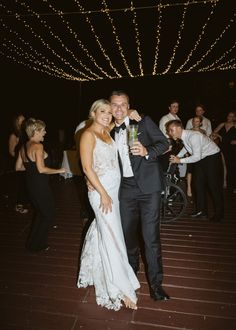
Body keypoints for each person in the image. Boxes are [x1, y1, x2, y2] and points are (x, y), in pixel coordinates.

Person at [77, 99, 140, 311]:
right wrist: (103, 193)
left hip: (114, 190)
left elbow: (123, 117)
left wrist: (130, 111)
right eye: (101, 111)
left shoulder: (106, 130)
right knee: (113, 236)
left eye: (108, 112)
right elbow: (87, 168)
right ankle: (120, 288)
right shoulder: (88, 135)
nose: (107, 115)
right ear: (93, 113)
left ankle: (95, 269)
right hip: (101, 193)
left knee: (106, 231)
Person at [109, 90, 170, 301]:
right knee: (127, 236)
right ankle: (131, 276)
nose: (118, 109)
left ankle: (156, 285)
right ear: (110, 107)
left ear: (128, 106)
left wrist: (147, 151)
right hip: (125, 189)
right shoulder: (107, 131)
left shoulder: (143, 122)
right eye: (114, 105)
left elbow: (164, 143)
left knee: (150, 237)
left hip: (149, 188)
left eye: (122, 105)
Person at [15, 118, 66, 252]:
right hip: (40, 186)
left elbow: (18, 167)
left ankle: (33, 244)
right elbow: (42, 169)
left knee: (42, 213)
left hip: (31, 185)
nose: (45, 132)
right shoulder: (38, 146)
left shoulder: (23, 147)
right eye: (43, 130)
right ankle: (37, 245)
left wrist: (32, 169)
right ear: (36, 131)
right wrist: (60, 170)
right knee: (48, 214)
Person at [167, 119, 224, 222]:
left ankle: (220, 214)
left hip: (212, 157)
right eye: (169, 131)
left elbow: (196, 157)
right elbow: (186, 148)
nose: (169, 133)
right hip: (202, 157)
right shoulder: (184, 136)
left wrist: (179, 160)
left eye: (171, 130)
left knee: (213, 185)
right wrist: (177, 157)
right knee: (198, 183)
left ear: (179, 128)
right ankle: (202, 212)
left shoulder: (193, 136)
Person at [8, 113, 28, 213]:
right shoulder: (14, 135)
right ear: (17, 122)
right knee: (19, 184)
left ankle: (23, 202)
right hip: (17, 164)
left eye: (25, 120)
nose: (24, 122)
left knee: (25, 184)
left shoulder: (25, 134)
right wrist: (19, 160)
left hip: (24, 163)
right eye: (22, 120)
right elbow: (11, 151)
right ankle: (18, 205)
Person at [211, 111, 236, 192]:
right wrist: (218, 135)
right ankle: (224, 182)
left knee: (232, 166)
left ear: (234, 118)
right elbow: (213, 132)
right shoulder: (222, 124)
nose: (230, 117)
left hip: (232, 148)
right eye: (229, 116)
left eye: (232, 116)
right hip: (222, 147)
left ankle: (233, 185)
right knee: (223, 164)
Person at [185, 116, 206, 198]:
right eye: (194, 121)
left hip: (201, 154)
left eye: (197, 121)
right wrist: (186, 152)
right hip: (191, 152)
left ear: (200, 123)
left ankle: (199, 188)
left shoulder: (203, 131)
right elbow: (185, 142)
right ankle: (189, 188)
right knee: (190, 170)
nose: (195, 122)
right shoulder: (189, 131)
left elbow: (205, 143)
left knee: (200, 172)